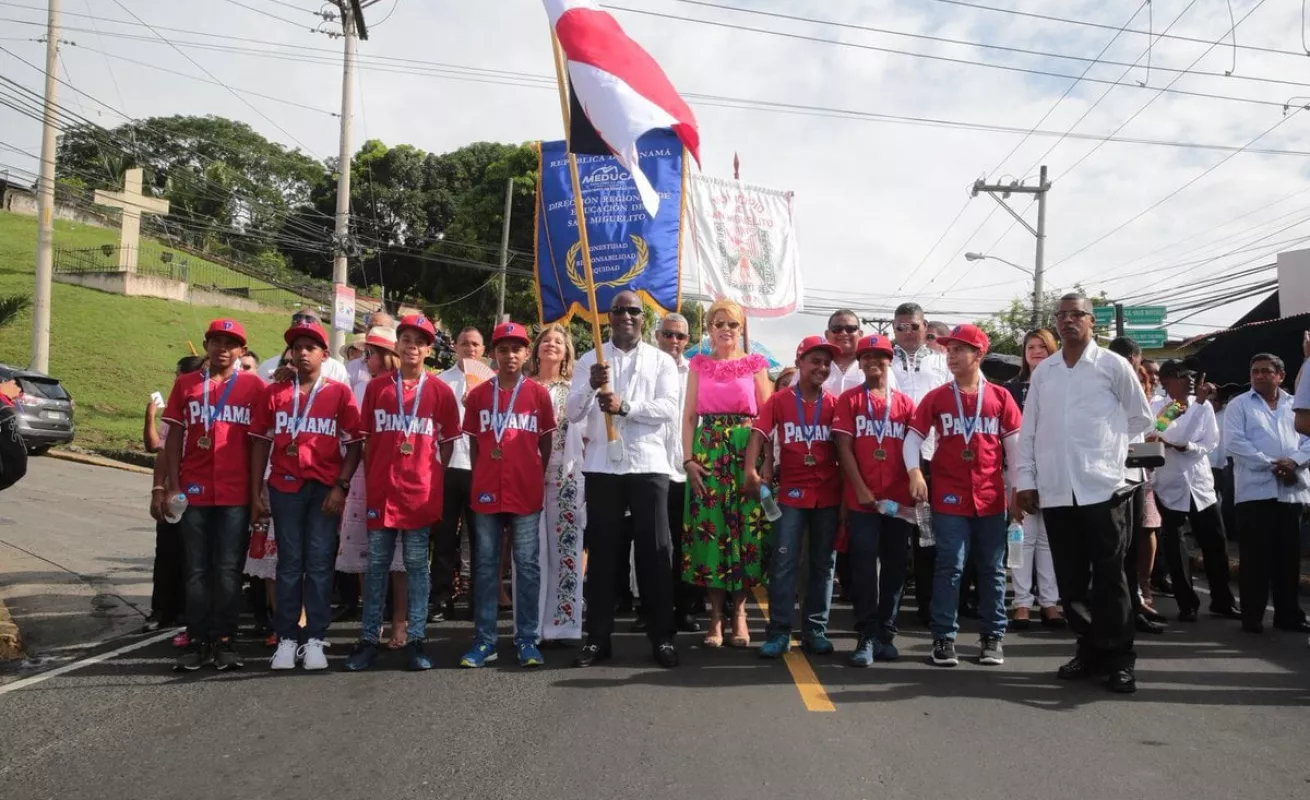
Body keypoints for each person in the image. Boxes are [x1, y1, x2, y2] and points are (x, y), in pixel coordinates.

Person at [1016, 292, 1154, 694]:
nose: (1068, 320)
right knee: (1070, 582)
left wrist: (1108, 453)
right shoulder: (1045, 373)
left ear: (1093, 322)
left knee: (1110, 580)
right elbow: (1030, 430)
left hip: (1104, 488)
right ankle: (1091, 649)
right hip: (1057, 490)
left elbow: (1140, 417)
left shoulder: (1112, 365)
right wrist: (1026, 480)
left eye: (1077, 314)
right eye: (1061, 315)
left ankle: (1120, 660)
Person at [566, 290, 682, 668]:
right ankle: (598, 638)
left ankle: (662, 636)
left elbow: (668, 408)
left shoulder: (661, 361)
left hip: (648, 465)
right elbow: (572, 412)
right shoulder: (590, 359)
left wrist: (626, 407)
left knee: (656, 553)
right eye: (619, 311)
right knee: (602, 556)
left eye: (634, 311)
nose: (627, 316)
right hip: (603, 467)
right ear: (609, 317)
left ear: (643, 319)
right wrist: (590, 385)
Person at [344, 314, 461, 672]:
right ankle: (368, 640)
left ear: (429, 350)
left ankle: (416, 640)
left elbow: (447, 443)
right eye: (406, 338)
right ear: (397, 345)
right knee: (376, 565)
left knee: (416, 567)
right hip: (382, 490)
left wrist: (428, 474)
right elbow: (364, 440)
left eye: (420, 341)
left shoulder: (440, 390)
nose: (412, 345)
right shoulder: (378, 388)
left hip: (419, 494)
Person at [249, 319, 363, 670]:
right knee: (288, 564)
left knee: (318, 564)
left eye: (309, 347)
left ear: (324, 354)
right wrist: (257, 488)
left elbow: (356, 443)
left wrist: (341, 487)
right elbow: (260, 442)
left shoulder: (338, 392)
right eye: (296, 347)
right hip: (284, 487)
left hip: (324, 490)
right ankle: (286, 637)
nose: (302, 353)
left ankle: (314, 637)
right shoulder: (274, 392)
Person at [905, 324, 1022, 668]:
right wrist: (914, 471)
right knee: (950, 566)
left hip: (990, 497)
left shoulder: (1001, 397)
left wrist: (1017, 492)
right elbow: (913, 438)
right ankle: (943, 637)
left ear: (979, 354)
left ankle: (992, 636)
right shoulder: (938, 397)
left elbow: (1015, 451)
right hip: (949, 496)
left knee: (991, 569)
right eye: (949, 349)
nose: (951, 355)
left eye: (959, 349)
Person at [155, 318, 266, 671]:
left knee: (228, 568)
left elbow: (259, 444)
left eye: (231, 343)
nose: (223, 348)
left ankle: (224, 638)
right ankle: (198, 637)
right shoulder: (186, 385)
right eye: (217, 341)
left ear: (241, 351)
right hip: (196, 489)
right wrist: (172, 485)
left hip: (235, 492)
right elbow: (172, 438)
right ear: (206, 345)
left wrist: (255, 495)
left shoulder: (254, 387)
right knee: (196, 569)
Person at [459, 322, 557, 668]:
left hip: (525, 491)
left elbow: (545, 441)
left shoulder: (538, 395)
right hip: (486, 490)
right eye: (503, 349)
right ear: (494, 354)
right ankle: (485, 641)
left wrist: (533, 473)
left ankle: (527, 639)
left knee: (527, 567)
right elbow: (473, 443)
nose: (510, 355)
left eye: (516, 349)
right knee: (486, 567)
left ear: (526, 354)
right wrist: (481, 474)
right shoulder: (480, 395)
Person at [679, 298, 772, 651]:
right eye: (719, 323)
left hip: (745, 453)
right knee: (712, 534)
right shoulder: (698, 365)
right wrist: (688, 460)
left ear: (741, 329)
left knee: (747, 533)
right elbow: (689, 417)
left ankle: (741, 614)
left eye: (732, 324)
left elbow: (767, 416)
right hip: (709, 455)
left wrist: (765, 464)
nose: (726, 330)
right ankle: (716, 616)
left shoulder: (755, 365)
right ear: (709, 328)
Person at [746, 336, 842, 658]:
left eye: (827, 363)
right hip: (790, 495)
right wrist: (751, 470)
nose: (822, 368)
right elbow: (758, 433)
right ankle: (779, 632)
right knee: (784, 562)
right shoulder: (780, 400)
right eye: (815, 361)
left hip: (827, 496)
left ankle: (815, 629)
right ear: (800, 362)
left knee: (822, 565)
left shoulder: (834, 403)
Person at [833, 334, 916, 666]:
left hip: (898, 501)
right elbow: (843, 449)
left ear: (889, 360)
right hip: (862, 500)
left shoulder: (906, 404)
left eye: (878, 357)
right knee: (865, 566)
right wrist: (860, 489)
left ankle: (886, 632)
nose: (871, 362)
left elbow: (914, 451)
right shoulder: (850, 400)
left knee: (896, 566)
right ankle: (866, 633)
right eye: (865, 357)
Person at [1148, 360, 1241, 621]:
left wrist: (1189, 448)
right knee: (1177, 549)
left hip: (1200, 485)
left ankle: (1222, 600)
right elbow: (1165, 435)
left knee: (1215, 544)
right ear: (1166, 381)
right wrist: (1195, 412)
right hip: (1170, 487)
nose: (1190, 380)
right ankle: (1186, 603)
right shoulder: (1157, 407)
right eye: (1182, 375)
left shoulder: (1205, 407)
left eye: (1191, 375)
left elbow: (1210, 441)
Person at [1224, 353, 1310, 634]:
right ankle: (1252, 616)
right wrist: (1273, 464)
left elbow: (1308, 439)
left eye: (1266, 371)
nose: (1260, 375)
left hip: (1291, 492)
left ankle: (1289, 615)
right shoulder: (1239, 405)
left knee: (1288, 558)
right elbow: (1235, 443)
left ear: (1280, 376)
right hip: (1254, 493)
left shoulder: (1296, 404)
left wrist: (1294, 462)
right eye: (1255, 371)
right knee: (1255, 560)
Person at [336, 327, 406, 630]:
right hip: (366, 473)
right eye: (367, 353)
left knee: (402, 553)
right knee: (366, 549)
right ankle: (371, 615)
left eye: (372, 353)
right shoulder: (359, 382)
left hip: (400, 474)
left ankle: (400, 619)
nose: (368, 359)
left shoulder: (406, 385)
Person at [890, 302, 951, 628]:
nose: (907, 332)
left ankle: (929, 607)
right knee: (896, 535)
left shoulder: (944, 361)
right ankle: (889, 610)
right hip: (892, 458)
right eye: (900, 327)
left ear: (925, 326)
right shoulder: (884, 364)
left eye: (913, 326)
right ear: (893, 330)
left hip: (934, 456)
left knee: (930, 537)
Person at [530, 322, 587, 643]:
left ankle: (563, 625)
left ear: (566, 353)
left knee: (566, 550)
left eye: (558, 342)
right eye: (546, 340)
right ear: (536, 349)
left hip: (565, 479)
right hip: (527, 478)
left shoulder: (573, 392)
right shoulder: (522, 387)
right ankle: (531, 626)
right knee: (531, 554)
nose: (552, 345)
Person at [1002, 329, 1063, 629]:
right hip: (1018, 470)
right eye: (1030, 347)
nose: (1036, 351)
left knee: (1049, 539)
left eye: (1042, 346)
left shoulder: (1064, 383)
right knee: (1021, 538)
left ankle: (1050, 602)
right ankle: (1022, 603)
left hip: (1055, 470)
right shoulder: (1010, 389)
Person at [143, 354, 206, 641]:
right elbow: (162, 451)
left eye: (178, 375)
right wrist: (159, 489)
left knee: (195, 557)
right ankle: (161, 611)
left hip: (206, 494)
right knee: (166, 553)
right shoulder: (177, 411)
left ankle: (188, 613)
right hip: (175, 493)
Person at [431, 325, 486, 620]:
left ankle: (477, 597)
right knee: (443, 538)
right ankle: (441, 598)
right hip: (448, 466)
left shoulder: (491, 384)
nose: (470, 349)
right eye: (465, 343)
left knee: (480, 538)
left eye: (476, 345)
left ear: (483, 350)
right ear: (454, 346)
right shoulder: (441, 382)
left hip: (480, 469)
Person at [655, 312, 701, 633]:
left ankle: (685, 609)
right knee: (656, 545)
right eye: (668, 334)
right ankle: (654, 608)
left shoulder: (697, 371)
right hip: (653, 467)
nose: (674, 341)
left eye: (680, 336)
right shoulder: (646, 366)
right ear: (657, 335)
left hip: (688, 468)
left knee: (688, 544)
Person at [258, 308, 349, 385]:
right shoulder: (268, 366)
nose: (303, 352)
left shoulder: (336, 369)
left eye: (310, 347)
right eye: (298, 346)